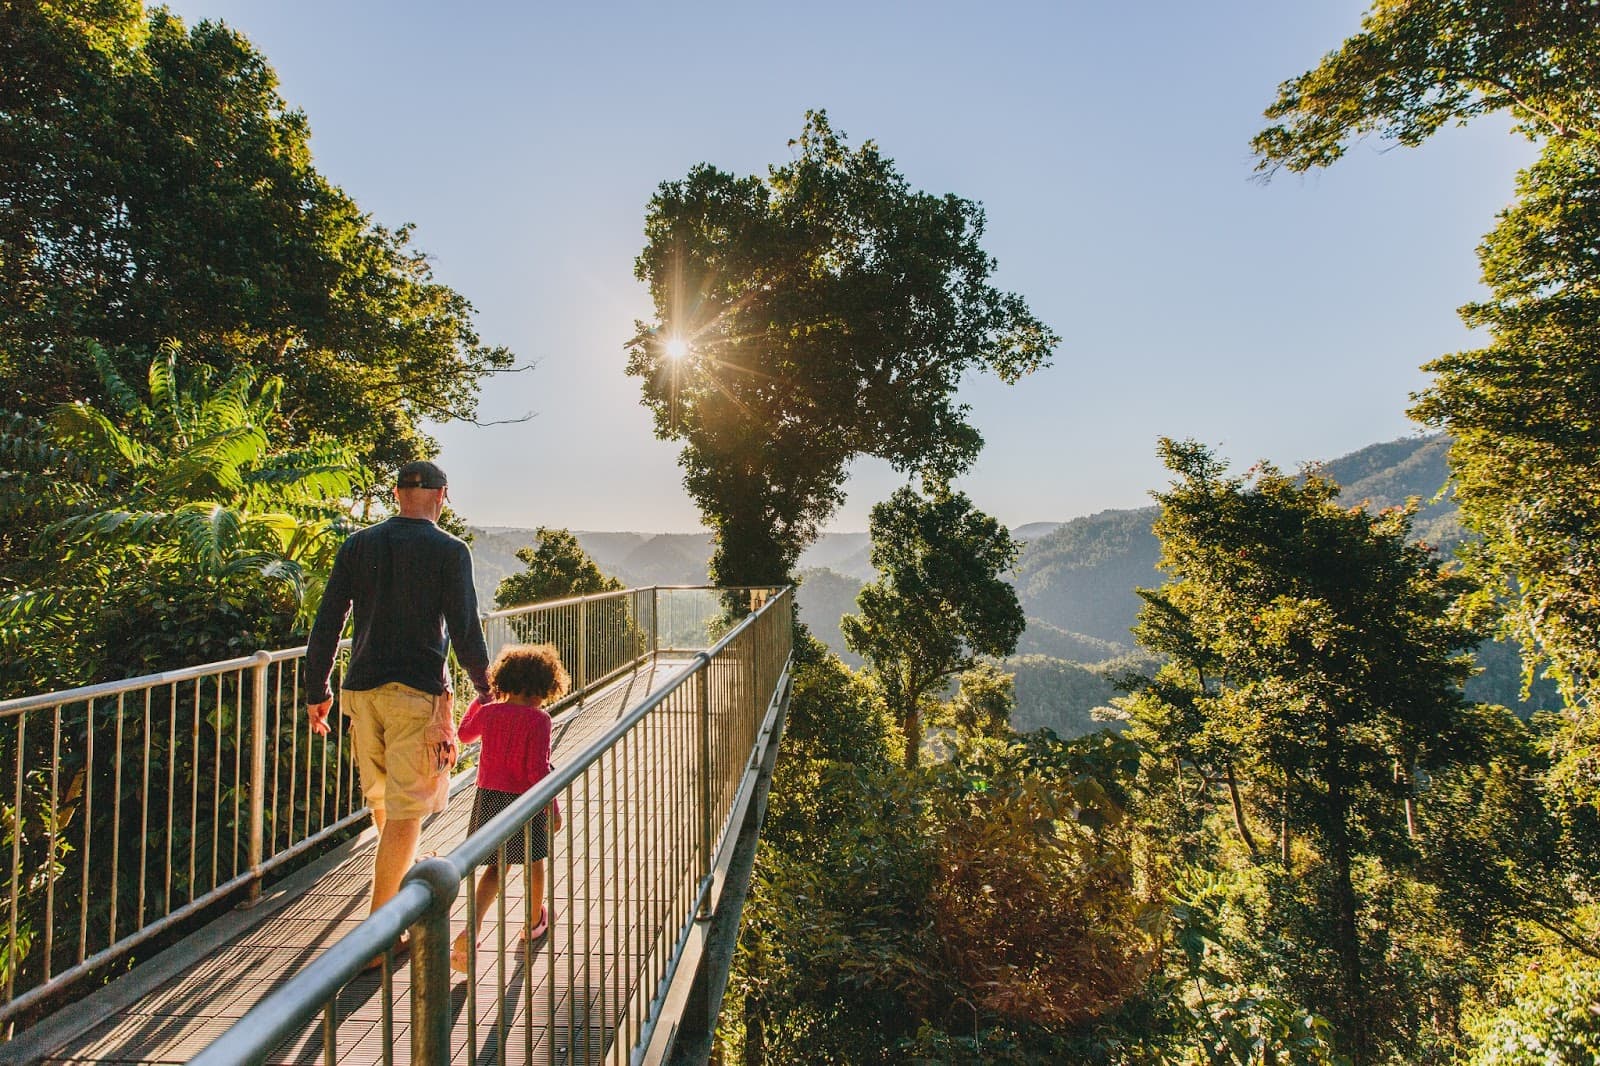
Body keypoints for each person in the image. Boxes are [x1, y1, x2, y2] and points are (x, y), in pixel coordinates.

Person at [303, 459, 491, 931]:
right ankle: (381, 933)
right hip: (416, 691)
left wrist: (316, 691)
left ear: (397, 494)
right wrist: (488, 688)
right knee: (408, 811)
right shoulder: (450, 550)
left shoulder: (358, 544)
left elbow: (327, 622)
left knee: (385, 798)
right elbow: (465, 628)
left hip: (361, 691)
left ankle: (398, 884)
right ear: (441, 495)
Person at [450, 643, 570, 973]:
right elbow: (537, 771)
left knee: (495, 869)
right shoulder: (539, 720)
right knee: (534, 863)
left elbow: (464, 734)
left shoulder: (490, 713)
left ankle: (471, 931)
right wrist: (553, 808)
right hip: (525, 803)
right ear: (545, 686)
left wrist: (481, 698)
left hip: (489, 800)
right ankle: (534, 922)